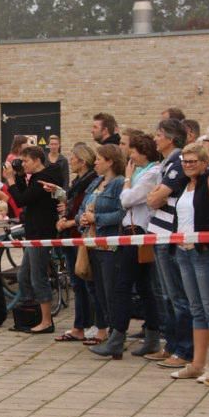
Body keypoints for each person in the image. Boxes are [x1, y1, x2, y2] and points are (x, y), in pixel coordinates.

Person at [90, 133, 160, 359]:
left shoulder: (150, 173)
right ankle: (151, 336)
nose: (128, 154)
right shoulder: (141, 172)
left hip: (139, 231)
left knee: (123, 286)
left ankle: (118, 337)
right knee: (142, 286)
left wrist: (128, 179)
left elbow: (127, 200)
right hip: (129, 230)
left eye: (131, 150)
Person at [170, 142, 209, 384]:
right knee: (196, 309)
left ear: (204, 162)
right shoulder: (183, 185)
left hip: (205, 251)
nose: (188, 165)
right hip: (183, 251)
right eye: (185, 161)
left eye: (193, 161)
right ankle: (197, 363)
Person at [145, 119, 193, 369]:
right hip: (158, 232)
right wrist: (154, 196)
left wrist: (155, 196)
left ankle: (184, 350)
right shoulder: (165, 163)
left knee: (176, 295)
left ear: (171, 138)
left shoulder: (177, 162)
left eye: (159, 134)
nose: (155, 139)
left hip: (168, 234)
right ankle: (171, 345)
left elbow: (155, 199)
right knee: (164, 294)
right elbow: (152, 197)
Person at [4, 144, 62, 334]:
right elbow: (24, 194)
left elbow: (21, 200)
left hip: (41, 234)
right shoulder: (36, 178)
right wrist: (19, 176)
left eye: (26, 161)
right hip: (33, 233)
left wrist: (11, 181)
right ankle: (31, 316)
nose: (24, 164)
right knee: (24, 275)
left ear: (37, 160)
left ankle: (47, 321)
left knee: (38, 277)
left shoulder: (44, 179)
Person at [76, 144, 125, 346]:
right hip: (91, 243)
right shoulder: (96, 182)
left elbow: (121, 213)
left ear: (110, 161)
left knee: (109, 290)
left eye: (98, 159)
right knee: (95, 289)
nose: (94, 162)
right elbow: (82, 207)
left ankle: (116, 334)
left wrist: (96, 218)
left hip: (109, 246)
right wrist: (82, 218)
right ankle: (104, 328)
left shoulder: (119, 183)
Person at [52, 142, 99, 342]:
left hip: (80, 234)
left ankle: (89, 324)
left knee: (85, 282)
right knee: (77, 282)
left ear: (82, 161)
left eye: (73, 158)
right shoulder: (77, 181)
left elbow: (86, 207)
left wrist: (69, 221)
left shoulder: (91, 182)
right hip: (70, 233)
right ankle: (81, 323)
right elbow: (72, 204)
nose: (70, 161)